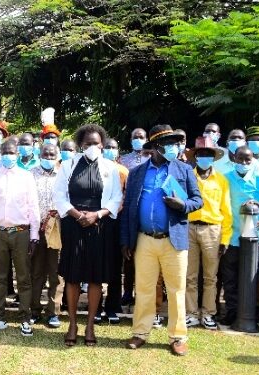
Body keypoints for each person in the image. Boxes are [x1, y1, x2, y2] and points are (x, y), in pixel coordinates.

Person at [121, 124, 203, 356]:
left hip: (173, 238)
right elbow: (128, 208)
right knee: (144, 288)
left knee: (176, 289)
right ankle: (140, 333)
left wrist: (182, 205)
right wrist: (126, 240)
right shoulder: (137, 173)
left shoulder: (184, 169)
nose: (174, 148)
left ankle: (177, 336)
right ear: (156, 147)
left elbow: (198, 200)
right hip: (144, 239)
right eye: (168, 144)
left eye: (175, 143)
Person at [54, 125, 122, 346]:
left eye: (96, 143)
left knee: (95, 279)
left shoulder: (111, 167)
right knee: (72, 277)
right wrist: (76, 214)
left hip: (99, 227)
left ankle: (90, 325)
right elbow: (59, 195)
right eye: (87, 143)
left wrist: (97, 215)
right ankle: (73, 324)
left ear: (102, 144)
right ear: (81, 145)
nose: (92, 147)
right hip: (74, 226)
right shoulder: (69, 165)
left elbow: (116, 199)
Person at [0, 140, 40, 336]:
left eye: (11, 152)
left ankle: (25, 318)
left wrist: (34, 236)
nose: (8, 155)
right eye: (4, 152)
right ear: (0, 152)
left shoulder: (26, 177)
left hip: (21, 232)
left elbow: (33, 207)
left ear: (17, 153)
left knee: (23, 277)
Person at [219, 146, 259, 330]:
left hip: (257, 236)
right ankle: (232, 311)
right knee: (230, 277)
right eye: (240, 159)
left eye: (247, 160)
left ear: (253, 160)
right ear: (234, 158)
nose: (243, 163)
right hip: (232, 235)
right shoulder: (225, 178)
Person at [183, 137, 231, 330]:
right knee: (190, 276)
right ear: (195, 157)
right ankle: (191, 313)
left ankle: (208, 313)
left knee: (211, 277)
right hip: (190, 228)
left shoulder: (221, 180)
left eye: (208, 155)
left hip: (213, 230)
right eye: (201, 154)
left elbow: (226, 210)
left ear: (213, 157)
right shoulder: (188, 176)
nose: (204, 157)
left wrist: (225, 238)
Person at [30, 143, 64, 329]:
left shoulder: (63, 176)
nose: (49, 158)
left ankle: (53, 312)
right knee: (36, 272)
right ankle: (34, 310)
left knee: (56, 273)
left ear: (57, 156)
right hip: (36, 229)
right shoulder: (30, 175)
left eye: (52, 155)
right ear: (39, 154)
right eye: (45, 154)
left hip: (57, 230)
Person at [99, 138, 128, 323]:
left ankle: (112, 306)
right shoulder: (96, 168)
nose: (110, 150)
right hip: (97, 222)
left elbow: (125, 196)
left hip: (116, 222)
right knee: (96, 266)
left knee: (115, 268)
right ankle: (96, 305)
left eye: (113, 147)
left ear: (118, 151)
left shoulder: (123, 171)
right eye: (107, 147)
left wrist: (112, 209)